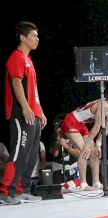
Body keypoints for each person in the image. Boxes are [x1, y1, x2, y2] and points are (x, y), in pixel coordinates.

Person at [0, 21, 47, 205]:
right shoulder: (16, 57)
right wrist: (26, 107)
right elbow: (16, 83)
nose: (37, 39)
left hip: (33, 115)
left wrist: (40, 111)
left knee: (30, 154)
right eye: (34, 35)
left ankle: (22, 190)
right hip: (21, 115)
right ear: (23, 37)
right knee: (19, 154)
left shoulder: (29, 60)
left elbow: (33, 90)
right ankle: (5, 191)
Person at [59, 84, 108, 191]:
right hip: (71, 121)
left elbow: (106, 127)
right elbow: (96, 126)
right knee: (84, 151)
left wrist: (98, 144)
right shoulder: (103, 105)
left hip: (81, 124)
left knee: (94, 151)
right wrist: (86, 145)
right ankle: (83, 184)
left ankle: (96, 183)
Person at [49, 115, 80, 185]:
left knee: (75, 190)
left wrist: (66, 146)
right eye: (56, 125)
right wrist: (57, 141)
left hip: (73, 168)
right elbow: (55, 154)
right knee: (59, 191)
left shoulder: (73, 135)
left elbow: (77, 153)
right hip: (59, 169)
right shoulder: (54, 137)